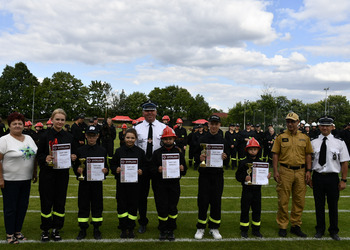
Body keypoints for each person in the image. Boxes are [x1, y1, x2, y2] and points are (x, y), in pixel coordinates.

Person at [37, 108, 78, 242]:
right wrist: (45, 158)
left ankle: (56, 229)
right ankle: (45, 229)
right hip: (47, 175)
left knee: (60, 202)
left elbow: (74, 154)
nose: (60, 122)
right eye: (57, 119)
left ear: (65, 121)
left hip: (62, 174)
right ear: (52, 119)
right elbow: (39, 155)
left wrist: (73, 157)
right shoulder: (44, 135)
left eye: (62, 120)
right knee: (46, 202)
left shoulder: (69, 136)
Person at [272, 112, 313, 238]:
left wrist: (308, 171)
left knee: (299, 200)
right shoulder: (280, 137)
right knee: (283, 200)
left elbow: (308, 155)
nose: (290, 124)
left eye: (293, 121)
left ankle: (296, 225)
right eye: (288, 121)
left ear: (297, 122)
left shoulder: (305, 137)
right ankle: (283, 226)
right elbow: (275, 154)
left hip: (301, 172)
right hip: (285, 171)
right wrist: (275, 171)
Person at [0, 112, 37, 244]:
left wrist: (34, 173)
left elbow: (34, 156)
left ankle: (17, 232)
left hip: (25, 179)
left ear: (23, 125)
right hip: (10, 180)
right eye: (14, 123)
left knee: (22, 206)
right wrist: (0, 178)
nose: (17, 125)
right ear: (9, 126)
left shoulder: (29, 138)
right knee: (10, 208)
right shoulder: (4, 140)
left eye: (19, 123)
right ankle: (10, 234)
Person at [310, 116, 350, 241]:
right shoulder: (313, 142)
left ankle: (334, 231)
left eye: (328, 125)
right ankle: (320, 230)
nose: (325, 128)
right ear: (319, 126)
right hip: (317, 177)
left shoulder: (339, 142)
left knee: (333, 205)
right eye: (322, 125)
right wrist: (308, 175)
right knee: (319, 205)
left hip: (332, 178)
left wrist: (343, 180)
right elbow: (309, 161)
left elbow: (344, 162)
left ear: (332, 126)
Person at [194, 115, 229, 240]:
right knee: (202, 201)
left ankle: (214, 227)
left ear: (219, 125)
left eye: (216, 124)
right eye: (212, 124)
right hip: (204, 175)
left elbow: (227, 159)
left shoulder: (223, 140)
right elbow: (195, 154)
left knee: (216, 202)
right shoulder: (202, 139)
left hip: (218, 176)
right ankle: (201, 227)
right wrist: (199, 158)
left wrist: (225, 157)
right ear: (208, 124)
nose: (214, 126)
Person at [135, 100, 167, 233]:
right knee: (141, 197)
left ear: (156, 112)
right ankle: (142, 222)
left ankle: (162, 223)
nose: (149, 113)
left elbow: (169, 147)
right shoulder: (137, 128)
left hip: (158, 166)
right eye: (147, 110)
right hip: (142, 166)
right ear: (143, 112)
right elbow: (134, 149)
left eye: (152, 110)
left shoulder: (164, 128)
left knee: (160, 196)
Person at [151, 126, 187, 241]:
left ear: (174, 139)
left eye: (170, 139)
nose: (168, 141)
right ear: (162, 140)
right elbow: (150, 169)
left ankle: (171, 229)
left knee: (172, 207)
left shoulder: (178, 152)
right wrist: (157, 169)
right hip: (160, 185)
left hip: (174, 185)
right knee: (161, 207)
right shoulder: (156, 153)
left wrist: (182, 168)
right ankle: (162, 229)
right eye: (166, 139)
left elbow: (184, 169)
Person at [73, 125, 108, 240]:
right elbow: (76, 166)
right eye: (89, 136)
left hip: (97, 184)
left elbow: (106, 168)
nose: (91, 138)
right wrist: (78, 171)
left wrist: (105, 171)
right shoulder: (80, 150)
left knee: (97, 205)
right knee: (83, 205)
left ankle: (96, 228)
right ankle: (82, 228)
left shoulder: (102, 150)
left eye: (94, 136)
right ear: (86, 136)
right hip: (84, 183)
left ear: (97, 136)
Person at [110, 128, 145, 238]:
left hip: (135, 185)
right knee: (122, 206)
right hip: (122, 184)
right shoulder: (119, 151)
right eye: (128, 137)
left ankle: (131, 227)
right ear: (124, 138)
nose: (130, 140)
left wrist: (141, 171)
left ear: (136, 139)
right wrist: (116, 169)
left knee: (133, 206)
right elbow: (113, 164)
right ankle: (123, 227)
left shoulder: (140, 152)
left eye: (132, 138)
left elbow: (145, 166)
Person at [236, 138, 271, 238]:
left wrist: (266, 177)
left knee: (257, 210)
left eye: (255, 149)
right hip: (246, 191)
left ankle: (256, 230)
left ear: (258, 150)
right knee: (245, 210)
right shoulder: (243, 163)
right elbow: (237, 176)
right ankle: (244, 230)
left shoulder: (261, 163)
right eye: (251, 149)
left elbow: (262, 177)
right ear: (247, 150)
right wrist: (244, 178)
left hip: (257, 191)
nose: (253, 151)